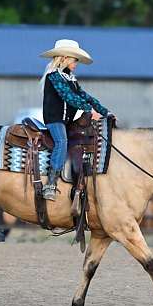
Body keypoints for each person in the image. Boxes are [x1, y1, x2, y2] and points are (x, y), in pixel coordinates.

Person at [39, 39, 113, 201]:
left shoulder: (70, 79)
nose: (76, 63)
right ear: (64, 58)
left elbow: (84, 96)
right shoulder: (54, 77)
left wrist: (104, 111)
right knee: (62, 142)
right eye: (75, 59)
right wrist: (88, 109)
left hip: (66, 120)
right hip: (55, 119)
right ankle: (51, 183)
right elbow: (68, 96)